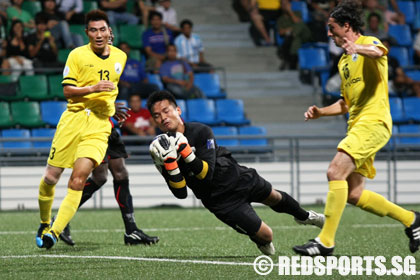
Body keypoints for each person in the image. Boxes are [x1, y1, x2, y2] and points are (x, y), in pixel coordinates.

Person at [293, 0, 420, 256]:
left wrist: (358, 48)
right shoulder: (343, 62)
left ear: (346, 25)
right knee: (354, 194)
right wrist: (321, 112)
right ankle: (412, 220)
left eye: (332, 28)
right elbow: (345, 103)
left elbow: (380, 52)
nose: (329, 34)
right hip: (357, 126)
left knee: (334, 171)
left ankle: (325, 241)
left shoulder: (369, 43)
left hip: (373, 123)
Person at [147, 90, 325, 255]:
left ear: (178, 110)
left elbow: (206, 173)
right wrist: (170, 163)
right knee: (266, 236)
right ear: (154, 121)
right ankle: (257, 238)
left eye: (166, 111)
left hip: (238, 177)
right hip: (220, 201)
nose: (163, 117)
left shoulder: (201, 131)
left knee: (275, 197)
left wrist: (185, 152)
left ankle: (305, 217)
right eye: (157, 116)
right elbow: (180, 193)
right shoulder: (159, 150)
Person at [35, 9, 127, 250]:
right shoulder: (76, 55)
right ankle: (45, 222)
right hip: (73, 120)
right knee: (50, 178)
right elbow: (67, 91)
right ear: (86, 33)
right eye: (93, 30)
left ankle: (53, 232)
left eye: (103, 29)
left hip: (98, 126)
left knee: (78, 179)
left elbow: (112, 87)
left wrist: (111, 106)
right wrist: (93, 88)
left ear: (110, 32)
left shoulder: (121, 57)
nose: (98, 34)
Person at [57, 113, 160, 246]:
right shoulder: (79, 91)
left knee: (121, 174)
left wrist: (111, 111)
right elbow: (84, 100)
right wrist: (110, 108)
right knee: (100, 177)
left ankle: (131, 230)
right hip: (92, 131)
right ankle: (60, 219)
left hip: (108, 128)